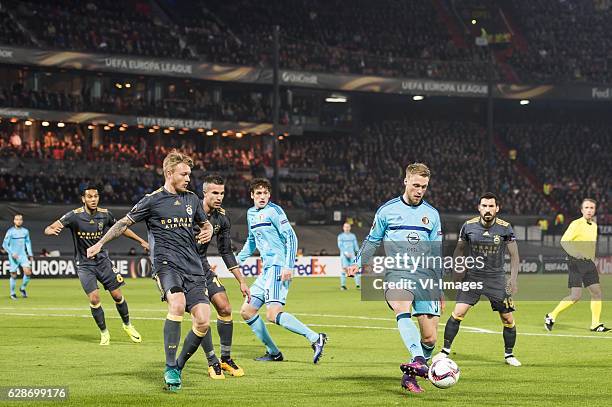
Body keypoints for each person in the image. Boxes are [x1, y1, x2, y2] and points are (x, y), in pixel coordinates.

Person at [86, 150, 213, 392]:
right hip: (167, 266)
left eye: (189, 174)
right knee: (176, 304)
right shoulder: (152, 200)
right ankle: (169, 366)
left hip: (193, 267)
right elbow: (123, 223)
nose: (189, 178)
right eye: (184, 174)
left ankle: (177, 365)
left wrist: (207, 229)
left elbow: (204, 223)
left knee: (203, 322)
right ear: (169, 173)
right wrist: (100, 243)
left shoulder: (192, 200)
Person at [348, 163, 443, 394]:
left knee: (430, 338)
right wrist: (358, 263)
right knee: (402, 306)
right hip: (397, 272)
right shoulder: (387, 211)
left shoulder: (432, 215)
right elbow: (372, 240)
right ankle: (419, 360)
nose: (419, 190)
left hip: (425, 277)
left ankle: (410, 375)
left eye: (424, 186)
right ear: (406, 182)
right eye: (416, 185)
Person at [238, 178, 327, 363]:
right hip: (266, 271)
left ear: (269, 195)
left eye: (265, 193)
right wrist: (237, 260)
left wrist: (288, 266)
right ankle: (274, 353)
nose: (262, 197)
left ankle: (314, 338)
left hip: (278, 268)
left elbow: (291, 238)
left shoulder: (274, 211)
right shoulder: (250, 214)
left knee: (272, 314)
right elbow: (251, 241)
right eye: (258, 193)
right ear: (252, 195)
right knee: (247, 311)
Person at [45, 186, 148, 345]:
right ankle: (104, 332)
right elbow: (49, 228)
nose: (93, 199)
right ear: (83, 199)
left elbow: (121, 229)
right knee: (94, 299)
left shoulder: (105, 215)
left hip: (103, 262)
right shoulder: (74, 216)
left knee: (118, 296)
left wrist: (141, 241)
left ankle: (127, 325)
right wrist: (50, 231)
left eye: (96, 196)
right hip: (85, 265)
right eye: (90, 197)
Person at [434, 192, 521, 367]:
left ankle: (509, 355)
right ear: (479, 208)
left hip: (496, 279)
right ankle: (444, 351)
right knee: (458, 313)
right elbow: (459, 250)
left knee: (508, 319)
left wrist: (513, 279)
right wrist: (457, 272)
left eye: (491, 206)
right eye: (484, 206)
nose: (488, 210)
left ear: (497, 208)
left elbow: (514, 255)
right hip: (473, 276)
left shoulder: (505, 228)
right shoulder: (468, 226)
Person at [180, 175, 250, 379]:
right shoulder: (188, 212)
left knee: (225, 307)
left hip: (202, 266)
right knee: (203, 316)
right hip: (185, 270)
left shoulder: (222, 219)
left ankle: (226, 359)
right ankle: (212, 361)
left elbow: (226, 251)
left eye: (222, 193)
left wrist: (242, 281)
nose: (219, 197)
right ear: (204, 193)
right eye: (215, 193)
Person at [545, 199, 609, 332]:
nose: (589, 210)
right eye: (587, 207)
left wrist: (593, 259)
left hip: (589, 263)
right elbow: (564, 241)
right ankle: (551, 316)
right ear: (582, 210)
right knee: (575, 296)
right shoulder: (576, 224)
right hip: (576, 262)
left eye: (592, 208)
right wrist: (576, 253)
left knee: (597, 293)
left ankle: (595, 324)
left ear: (595, 210)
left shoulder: (595, 225)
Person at [3, 213, 33, 299]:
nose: (19, 221)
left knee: (28, 272)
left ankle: (22, 288)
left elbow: (28, 243)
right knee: (13, 275)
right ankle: (12, 293)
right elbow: (4, 245)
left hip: (23, 255)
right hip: (13, 256)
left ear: (22, 221)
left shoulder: (25, 231)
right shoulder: (10, 231)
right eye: (17, 219)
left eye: (20, 219)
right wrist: (12, 253)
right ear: (14, 221)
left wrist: (30, 254)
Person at [337, 222, 360, 290]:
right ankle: (343, 285)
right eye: (345, 227)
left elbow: (355, 245)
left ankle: (358, 285)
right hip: (344, 256)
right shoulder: (340, 236)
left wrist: (358, 252)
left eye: (348, 227)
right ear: (343, 228)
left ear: (350, 228)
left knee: (354, 269)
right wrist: (345, 253)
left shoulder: (353, 236)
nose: (347, 228)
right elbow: (340, 246)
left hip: (352, 255)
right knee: (344, 270)